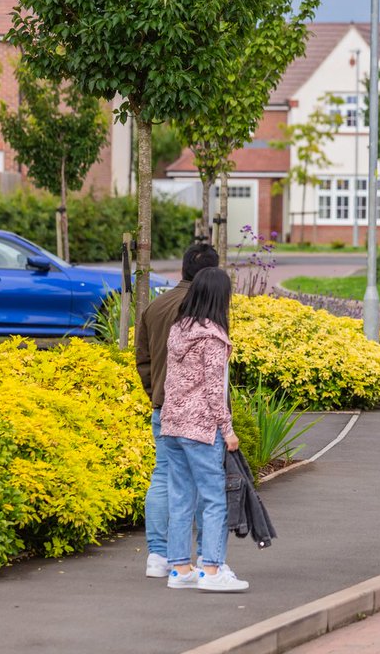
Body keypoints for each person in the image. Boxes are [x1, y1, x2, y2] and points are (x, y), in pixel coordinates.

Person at [161, 266, 248, 592]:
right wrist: (227, 431)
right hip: (200, 429)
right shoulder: (211, 337)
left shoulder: (178, 330)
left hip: (172, 425)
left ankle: (180, 569)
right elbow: (214, 390)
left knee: (181, 498)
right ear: (220, 297)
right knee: (214, 500)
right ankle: (211, 570)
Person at [134, 243, 218, 578]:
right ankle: (201, 560)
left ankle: (157, 554)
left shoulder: (155, 307)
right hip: (198, 412)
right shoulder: (207, 309)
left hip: (162, 406)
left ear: (183, 269)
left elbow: (143, 360)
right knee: (201, 482)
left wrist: (155, 393)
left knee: (163, 475)